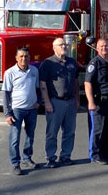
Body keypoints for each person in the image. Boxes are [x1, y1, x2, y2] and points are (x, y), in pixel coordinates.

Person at [39, 38, 80, 168]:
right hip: (55, 102)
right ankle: (51, 158)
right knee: (52, 132)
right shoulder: (48, 63)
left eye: (64, 44)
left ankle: (65, 156)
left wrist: (78, 99)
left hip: (70, 101)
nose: (64, 46)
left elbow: (75, 81)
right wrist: (47, 103)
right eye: (60, 44)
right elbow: (43, 84)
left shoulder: (72, 62)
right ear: (54, 47)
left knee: (69, 131)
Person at [2, 47, 40, 175]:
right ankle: (15, 163)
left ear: (30, 58)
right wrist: (8, 114)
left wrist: (38, 102)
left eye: (26, 56)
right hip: (17, 110)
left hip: (31, 109)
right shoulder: (10, 73)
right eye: (21, 56)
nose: (24, 58)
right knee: (15, 138)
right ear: (16, 58)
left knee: (30, 136)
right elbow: (6, 94)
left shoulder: (34, 71)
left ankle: (27, 158)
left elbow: (38, 89)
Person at [85, 38, 108, 165]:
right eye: (102, 46)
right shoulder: (94, 63)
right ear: (97, 48)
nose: (104, 48)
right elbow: (87, 83)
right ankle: (95, 154)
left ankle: (106, 153)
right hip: (99, 100)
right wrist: (90, 102)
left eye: (106, 46)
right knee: (97, 130)